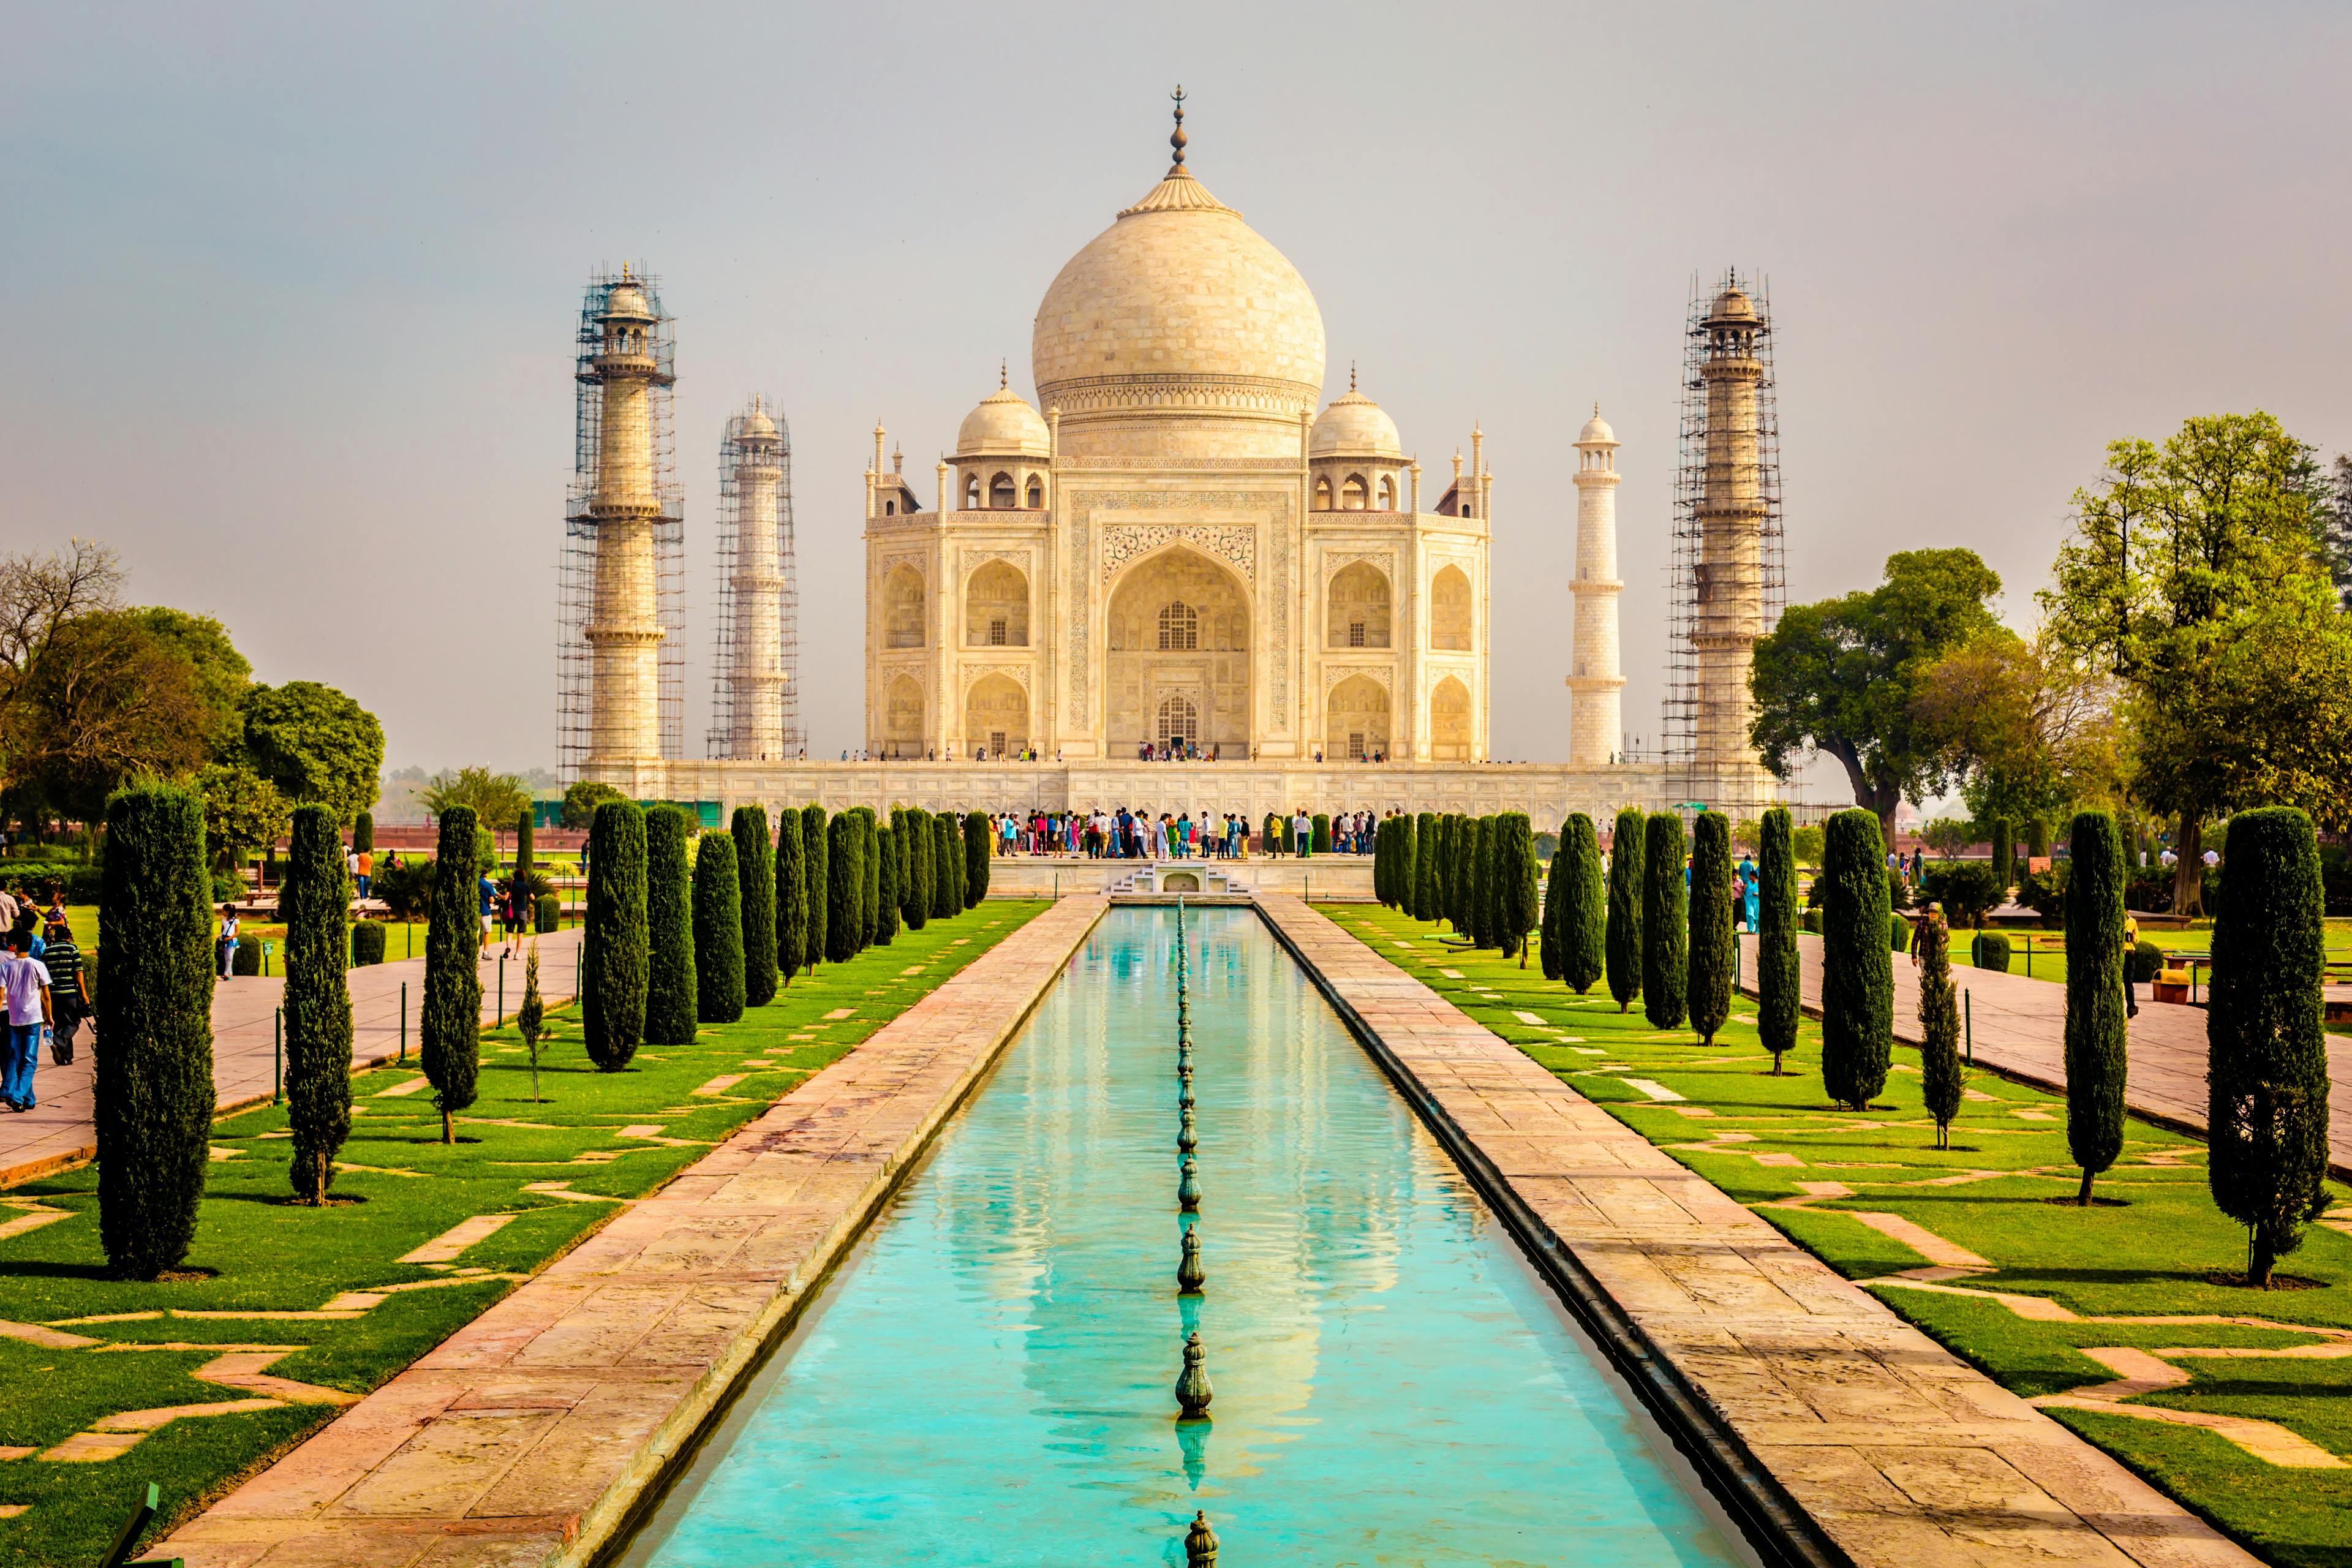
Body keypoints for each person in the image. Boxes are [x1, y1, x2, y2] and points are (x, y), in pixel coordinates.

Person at [1, 929, 52, 1112]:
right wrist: (50, 1017)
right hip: (32, 1018)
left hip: (14, 1019)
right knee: (30, 1060)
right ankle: (17, 1095)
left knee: (20, 1058)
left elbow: (0, 995)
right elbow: (46, 995)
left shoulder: (6, 967)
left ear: (13, 946)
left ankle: (29, 1099)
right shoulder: (38, 965)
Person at [42, 919, 87, 1065]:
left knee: (60, 1024)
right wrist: (84, 994)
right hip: (69, 993)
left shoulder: (47, 951)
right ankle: (58, 1041)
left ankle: (66, 1058)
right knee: (73, 1022)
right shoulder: (72, 949)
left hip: (54, 994)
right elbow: (78, 973)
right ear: (69, 936)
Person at [217, 903, 241, 979]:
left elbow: (237, 932)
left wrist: (230, 938)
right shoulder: (223, 920)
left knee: (229, 957)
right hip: (225, 940)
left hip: (231, 941)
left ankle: (226, 974)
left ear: (228, 912)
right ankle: (230, 973)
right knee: (226, 957)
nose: (222, 912)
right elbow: (223, 930)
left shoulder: (236, 921)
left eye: (223, 911)